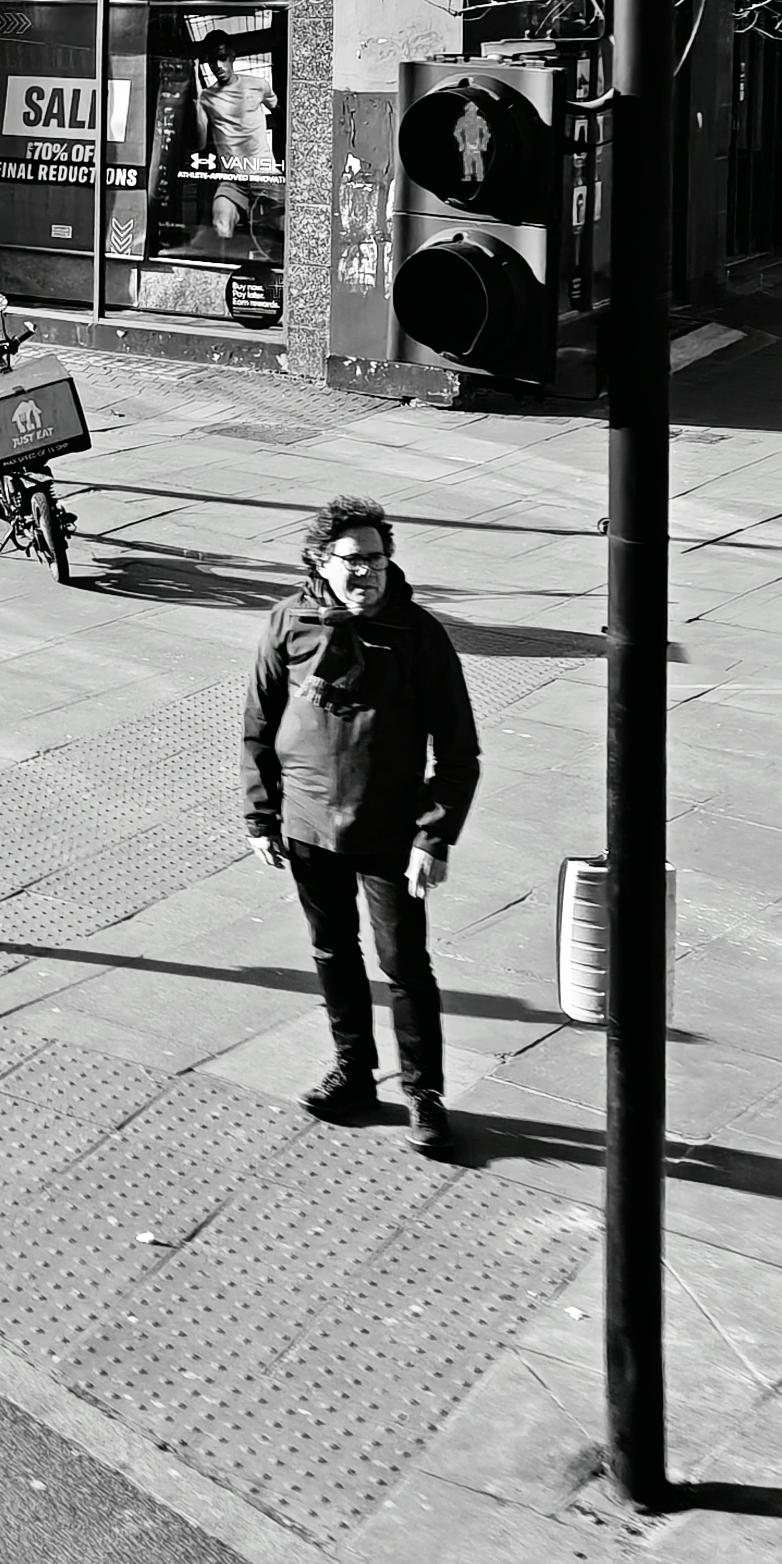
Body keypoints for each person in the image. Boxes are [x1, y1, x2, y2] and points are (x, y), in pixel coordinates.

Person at [243, 494, 479, 1159]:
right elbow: (259, 724)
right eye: (353, 560)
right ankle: (352, 1072)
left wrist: (434, 835)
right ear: (321, 560)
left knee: (405, 965)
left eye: (377, 559)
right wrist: (261, 816)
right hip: (310, 827)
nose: (367, 573)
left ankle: (423, 1094)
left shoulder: (419, 633)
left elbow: (459, 750)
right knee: (332, 953)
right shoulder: (290, 622)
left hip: (391, 835)